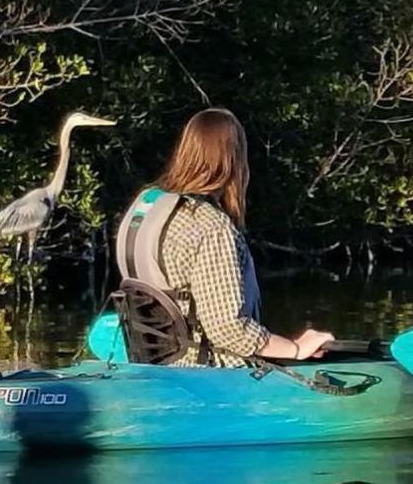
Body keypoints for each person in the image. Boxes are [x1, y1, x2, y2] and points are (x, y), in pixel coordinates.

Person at [120, 108, 333, 365]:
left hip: (153, 363)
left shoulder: (146, 205)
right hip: (206, 370)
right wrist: (295, 348)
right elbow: (227, 329)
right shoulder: (210, 225)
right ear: (235, 160)